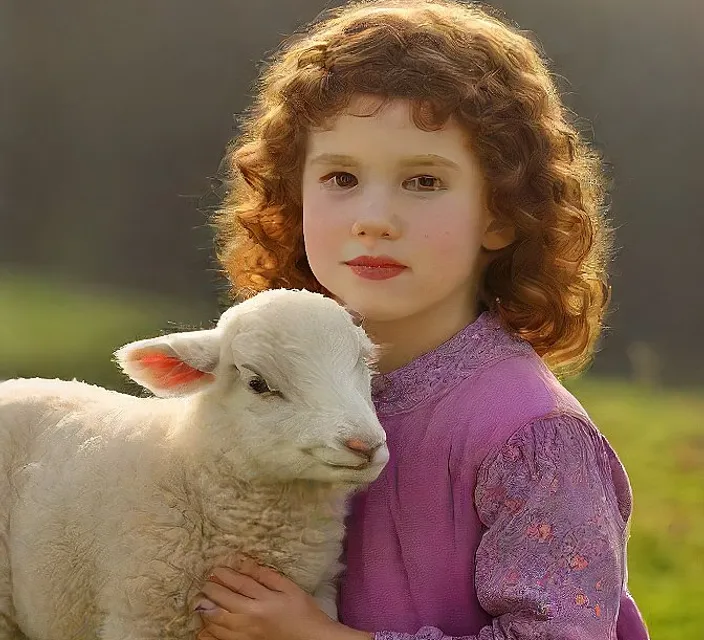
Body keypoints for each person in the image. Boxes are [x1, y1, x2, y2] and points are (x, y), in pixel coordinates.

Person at [193, 0, 650, 638]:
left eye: (424, 182)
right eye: (342, 176)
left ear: (501, 213)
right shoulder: (257, 387)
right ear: (293, 196)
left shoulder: (532, 437)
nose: (374, 218)